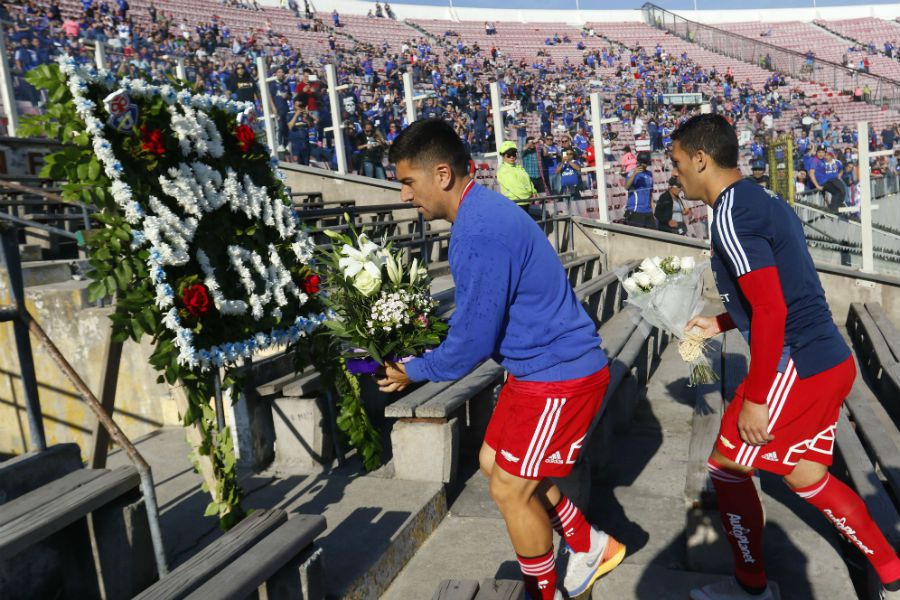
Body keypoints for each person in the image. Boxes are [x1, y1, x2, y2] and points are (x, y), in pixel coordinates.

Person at [377, 119, 625, 600]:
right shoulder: (479, 212)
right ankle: (586, 541)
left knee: (510, 489)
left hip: (558, 377)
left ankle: (547, 591)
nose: (405, 195)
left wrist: (415, 370)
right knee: (494, 462)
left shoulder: (480, 231)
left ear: (442, 174)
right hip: (535, 370)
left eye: (409, 181)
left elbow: (473, 341)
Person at [669, 114, 900, 600]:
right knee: (809, 477)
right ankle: (893, 574)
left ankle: (752, 588)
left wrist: (755, 397)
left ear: (701, 159)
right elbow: (787, 290)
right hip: (828, 360)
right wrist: (721, 322)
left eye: (676, 163)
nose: (676, 175)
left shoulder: (730, 214)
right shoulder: (762, 199)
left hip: (795, 364)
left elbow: (773, 309)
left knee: (726, 469)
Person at [496, 141, 536, 211]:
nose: (511, 157)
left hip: (524, 202)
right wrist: (529, 196)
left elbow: (528, 181)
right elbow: (516, 188)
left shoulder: (518, 167)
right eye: (508, 155)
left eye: (513, 154)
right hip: (514, 204)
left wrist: (534, 191)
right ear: (503, 156)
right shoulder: (503, 171)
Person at [623, 151, 655, 229]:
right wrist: (634, 174)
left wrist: (653, 208)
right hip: (636, 210)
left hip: (648, 211)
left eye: (645, 163)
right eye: (642, 162)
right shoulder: (632, 173)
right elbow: (626, 187)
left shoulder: (649, 174)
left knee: (653, 236)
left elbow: (650, 193)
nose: (644, 165)